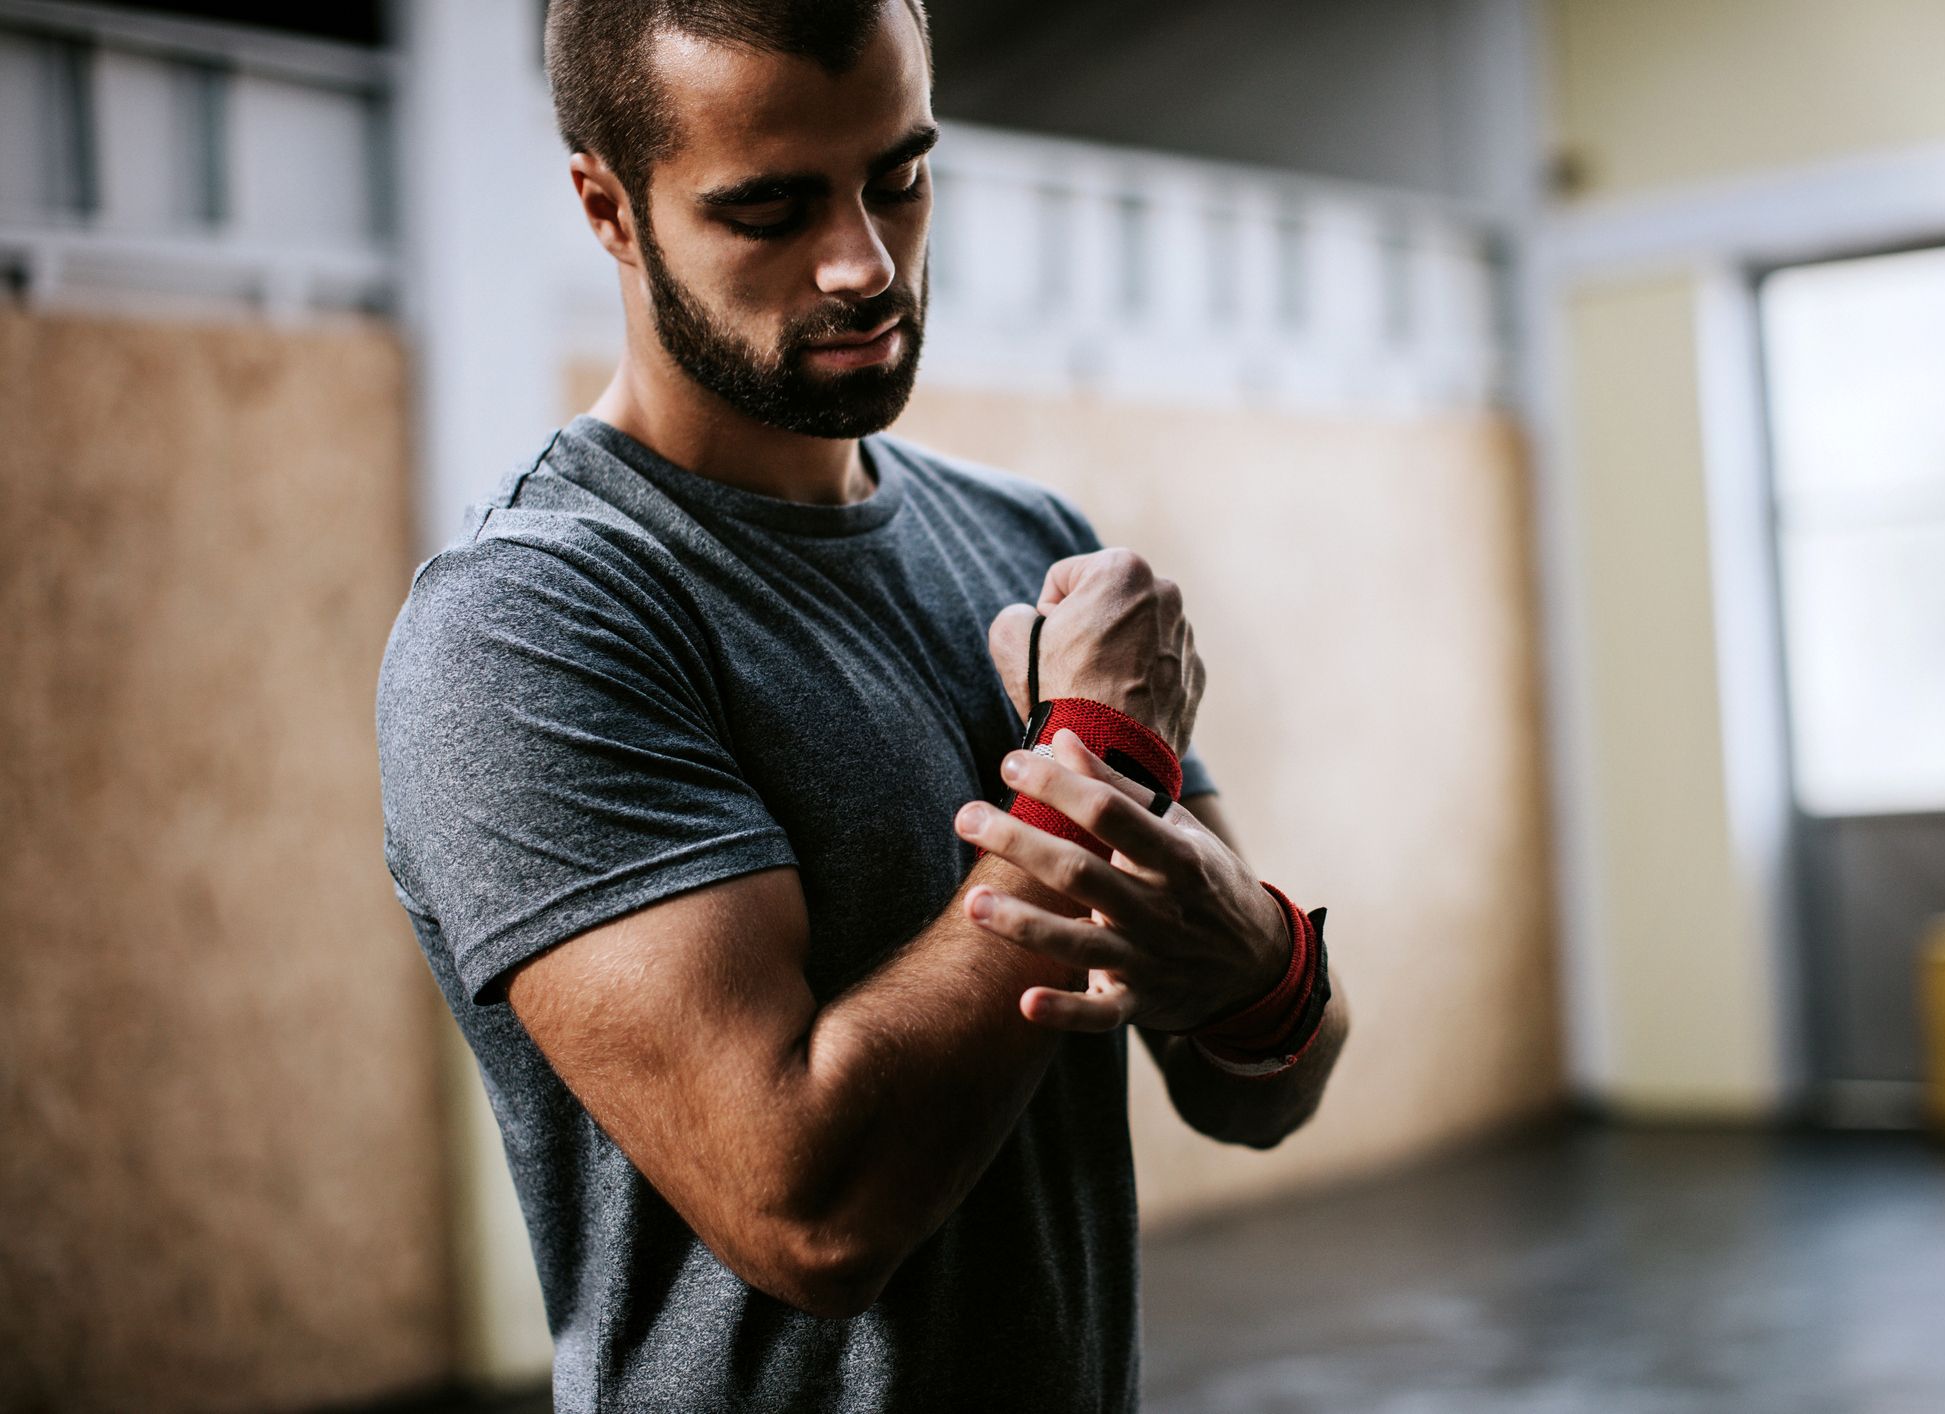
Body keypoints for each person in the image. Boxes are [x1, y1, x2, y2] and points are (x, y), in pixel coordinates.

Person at [375, 1, 1350, 1409]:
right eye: (768, 208)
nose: (864, 263)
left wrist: (1255, 961)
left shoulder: (1029, 543)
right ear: (607, 207)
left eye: (897, 174)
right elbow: (804, 1211)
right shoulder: (529, 620)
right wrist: (1095, 756)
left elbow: (1261, 1082)